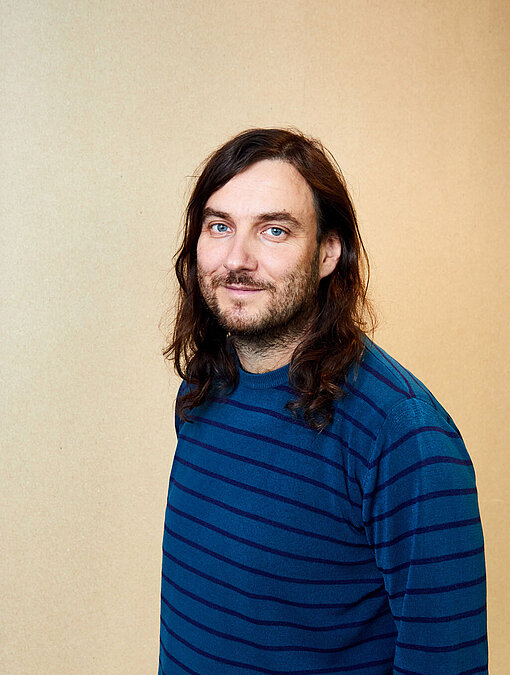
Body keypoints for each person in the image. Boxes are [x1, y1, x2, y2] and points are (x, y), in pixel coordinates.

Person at [159, 128, 488, 674]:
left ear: (329, 251)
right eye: (219, 226)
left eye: (274, 231)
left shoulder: (403, 433)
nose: (236, 258)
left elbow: (447, 662)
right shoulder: (205, 382)